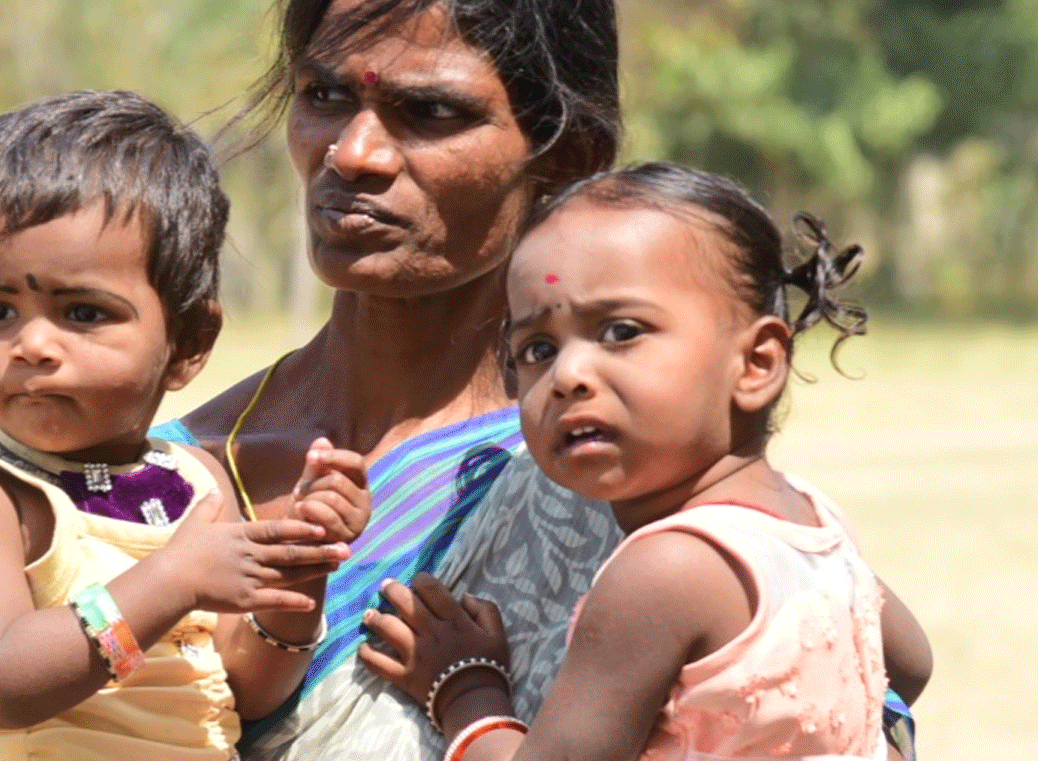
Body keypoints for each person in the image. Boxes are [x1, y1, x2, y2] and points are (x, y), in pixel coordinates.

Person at [153, 0, 920, 760]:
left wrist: (465, 697)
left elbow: (864, 713)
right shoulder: (169, 485)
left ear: (566, 154)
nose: (352, 153)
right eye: (325, 96)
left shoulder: (619, 477)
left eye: (428, 110)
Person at [360, 162, 933, 761]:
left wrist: (465, 688)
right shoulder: (814, 522)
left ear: (757, 364)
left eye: (621, 331)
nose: (569, 376)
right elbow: (911, 664)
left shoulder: (662, 573)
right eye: (538, 349)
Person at [0, 90, 371, 761]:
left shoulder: (196, 485)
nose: (32, 345)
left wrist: (299, 578)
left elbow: (245, 692)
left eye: (82, 313)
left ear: (189, 342)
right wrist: (174, 581)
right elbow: (4, 686)